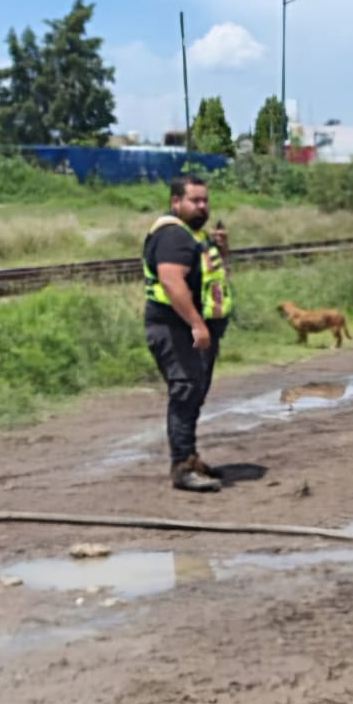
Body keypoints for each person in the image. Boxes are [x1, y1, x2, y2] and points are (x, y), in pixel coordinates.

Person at [143, 174, 233, 492]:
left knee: (194, 392)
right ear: (176, 202)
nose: (202, 206)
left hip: (192, 328)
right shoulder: (172, 236)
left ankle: (191, 458)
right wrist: (196, 323)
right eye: (195, 200)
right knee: (185, 392)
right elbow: (171, 281)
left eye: (205, 200)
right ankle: (182, 466)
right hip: (174, 328)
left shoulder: (194, 236)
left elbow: (210, 275)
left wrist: (221, 250)